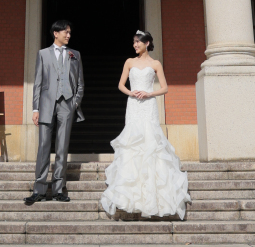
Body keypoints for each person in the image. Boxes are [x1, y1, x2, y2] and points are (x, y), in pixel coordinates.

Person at [100, 29, 190, 220]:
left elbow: (165, 88)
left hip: (148, 105)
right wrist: (131, 93)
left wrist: (149, 93)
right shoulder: (129, 62)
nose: (135, 45)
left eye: (138, 42)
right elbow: (120, 85)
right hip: (133, 105)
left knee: (151, 142)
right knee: (133, 143)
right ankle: (130, 196)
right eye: (133, 42)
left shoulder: (155, 64)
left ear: (147, 43)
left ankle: (154, 197)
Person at [24, 19, 84, 205]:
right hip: (46, 104)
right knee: (43, 146)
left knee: (62, 148)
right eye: (66, 32)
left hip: (67, 105)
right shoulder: (43, 54)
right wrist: (36, 108)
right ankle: (39, 189)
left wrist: (74, 103)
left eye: (69, 32)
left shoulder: (75, 54)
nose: (69, 35)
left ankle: (59, 189)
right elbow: (38, 83)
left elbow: (80, 83)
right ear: (55, 33)